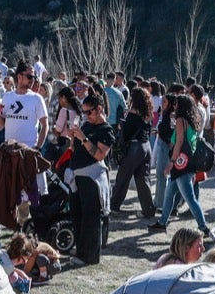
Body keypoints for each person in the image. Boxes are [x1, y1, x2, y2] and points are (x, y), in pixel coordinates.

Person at [151, 93, 210, 235]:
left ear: (181, 106)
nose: (175, 106)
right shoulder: (192, 120)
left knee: (190, 199)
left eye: (177, 104)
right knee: (169, 194)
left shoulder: (180, 120)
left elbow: (178, 142)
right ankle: (162, 222)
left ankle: (203, 227)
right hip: (187, 162)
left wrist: (171, 162)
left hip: (180, 164)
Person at [67, 91, 114, 265]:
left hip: (92, 177)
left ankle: (89, 255)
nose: (86, 116)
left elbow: (100, 155)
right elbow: (75, 148)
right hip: (77, 175)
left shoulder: (106, 130)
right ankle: (81, 249)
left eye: (89, 112)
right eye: (84, 112)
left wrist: (83, 138)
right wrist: (73, 137)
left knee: (90, 217)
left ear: (99, 109)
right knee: (77, 214)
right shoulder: (86, 125)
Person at [110, 84, 156, 219]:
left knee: (122, 178)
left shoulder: (132, 114)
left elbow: (127, 133)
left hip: (134, 148)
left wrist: (121, 126)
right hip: (146, 147)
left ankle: (114, 205)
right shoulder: (147, 114)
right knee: (143, 180)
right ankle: (148, 210)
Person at [0, 64, 50, 150]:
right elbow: (3, 121)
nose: (33, 80)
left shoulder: (37, 99)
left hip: (28, 151)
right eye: (30, 77)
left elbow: (45, 126)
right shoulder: (7, 97)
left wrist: (37, 148)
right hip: (9, 150)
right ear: (19, 77)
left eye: (34, 77)